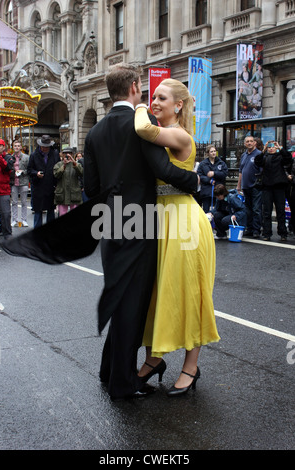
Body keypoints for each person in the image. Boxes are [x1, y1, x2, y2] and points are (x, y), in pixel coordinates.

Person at [84, 64, 199, 401]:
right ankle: (122, 382)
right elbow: (163, 168)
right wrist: (194, 181)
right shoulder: (141, 126)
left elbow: (90, 187)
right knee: (132, 306)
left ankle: (110, 372)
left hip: (110, 223)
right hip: (143, 223)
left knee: (120, 299)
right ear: (135, 86)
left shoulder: (94, 133)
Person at [134, 78, 220, 396]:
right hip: (161, 220)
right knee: (156, 295)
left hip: (184, 223)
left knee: (188, 295)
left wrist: (138, 104)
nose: (154, 102)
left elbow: (143, 128)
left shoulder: (179, 135)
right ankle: (153, 360)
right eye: (152, 97)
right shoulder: (165, 135)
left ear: (178, 105)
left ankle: (190, 367)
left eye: (161, 98)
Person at [254, 141, 292, 241]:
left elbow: (288, 159)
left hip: (279, 187)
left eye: (273, 147)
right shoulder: (265, 157)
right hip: (267, 187)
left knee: (280, 211)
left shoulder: (281, 157)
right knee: (266, 212)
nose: (271, 149)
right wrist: (263, 150)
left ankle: (283, 233)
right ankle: (267, 233)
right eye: (269, 147)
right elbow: (257, 162)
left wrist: (280, 148)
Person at [27, 135, 60, 228]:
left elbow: (58, 168)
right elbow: (29, 170)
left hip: (51, 186)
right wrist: (36, 173)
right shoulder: (34, 155)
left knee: (51, 211)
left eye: (47, 146)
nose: (45, 148)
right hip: (38, 187)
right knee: (38, 212)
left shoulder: (55, 153)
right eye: (44, 146)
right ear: (40, 145)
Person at [237, 135, 262, 238]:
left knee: (256, 209)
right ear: (244, 144)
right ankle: (250, 228)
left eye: (251, 141)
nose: (249, 143)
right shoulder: (243, 155)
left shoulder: (259, 154)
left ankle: (256, 230)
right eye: (247, 141)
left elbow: (262, 170)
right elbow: (241, 172)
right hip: (246, 186)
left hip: (256, 186)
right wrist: (239, 185)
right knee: (248, 209)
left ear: (255, 143)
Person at [197, 144, 228, 213]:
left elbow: (225, 173)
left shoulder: (221, 163)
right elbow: (200, 176)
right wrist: (208, 180)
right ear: (208, 153)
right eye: (211, 151)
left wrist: (214, 173)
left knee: (217, 211)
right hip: (207, 191)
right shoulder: (203, 164)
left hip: (218, 191)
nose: (214, 153)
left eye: (214, 151)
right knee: (206, 211)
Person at [53, 147, 83, 216]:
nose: (67, 155)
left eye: (69, 153)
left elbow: (82, 173)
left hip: (74, 194)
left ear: (72, 154)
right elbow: (56, 175)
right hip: (62, 194)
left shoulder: (76, 164)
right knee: (62, 213)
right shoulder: (58, 164)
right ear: (62, 155)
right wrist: (64, 165)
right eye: (65, 153)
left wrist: (74, 163)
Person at [0, 138, 14, 243]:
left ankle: (7, 233)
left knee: (5, 213)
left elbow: (7, 168)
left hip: (3, 190)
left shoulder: (8, 157)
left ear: (3, 147)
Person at [10, 140, 30, 227]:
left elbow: (29, 169)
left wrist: (22, 172)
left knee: (24, 202)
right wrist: (12, 172)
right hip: (14, 182)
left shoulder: (26, 157)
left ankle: (24, 220)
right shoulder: (10, 157)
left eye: (18, 146)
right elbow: (8, 169)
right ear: (13, 147)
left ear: (21, 147)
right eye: (15, 146)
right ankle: (14, 220)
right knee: (14, 202)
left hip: (24, 182)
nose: (17, 147)